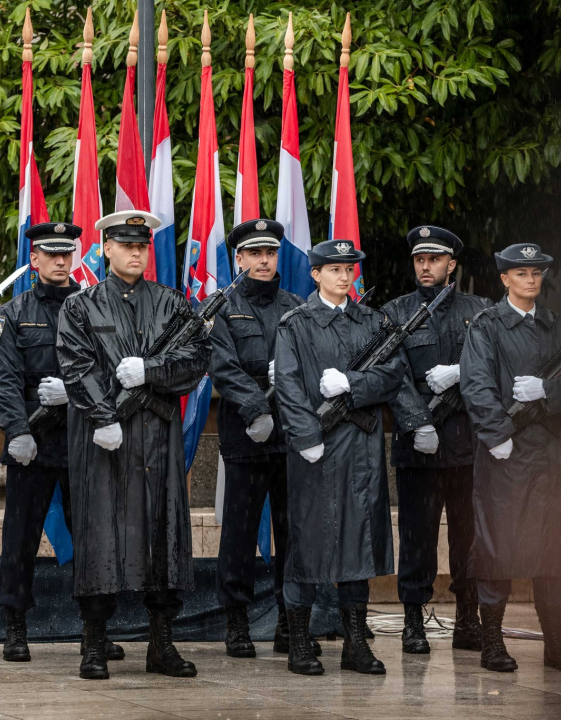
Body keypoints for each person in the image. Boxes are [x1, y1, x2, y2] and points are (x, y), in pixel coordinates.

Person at [56, 210, 211, 680]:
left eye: (142, 246)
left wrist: (151, 371)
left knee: (164, 536)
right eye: (126, 245)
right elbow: (76, 365)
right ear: (106, 249)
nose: (136, 253)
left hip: (158, 439)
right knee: (99, 536)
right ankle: (94, 643)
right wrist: (103, 416)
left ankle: (161, 643)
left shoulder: (171, 303)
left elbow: (196, 358)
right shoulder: (80, 306)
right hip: (104, 441)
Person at [0, 222, 123, 664]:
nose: (61, 261)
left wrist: (76, 392)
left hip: (85, 436)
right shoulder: (12, 313)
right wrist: (17, 431)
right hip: (33, 438)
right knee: (20, 538)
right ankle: (15, 626)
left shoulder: (96, 309)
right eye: (52, 253)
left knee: (93, 537)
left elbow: (114, 369)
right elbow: (4, 379)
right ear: (35, 259)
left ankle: (94, 629)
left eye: (67, 253)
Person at [275, 240, 407, 676]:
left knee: (358, 545)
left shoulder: (372, 321)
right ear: (315, 274)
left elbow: (393, 374)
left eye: (349, 269)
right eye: (334, 269)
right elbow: (288, 386)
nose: (344, 276)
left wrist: (352, 382)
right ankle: (299, 642)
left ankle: (356, 645)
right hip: (316, 451)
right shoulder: (295, 324)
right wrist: (306, 436)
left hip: (361, 453)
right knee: (307, 546)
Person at [460, 243, 561, 673]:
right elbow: (476, 384)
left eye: (536, 273)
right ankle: (492, 642)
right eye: (521, 273)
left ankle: (555, 643)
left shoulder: (559, 327)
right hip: (508, 456)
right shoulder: (486, 326)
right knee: (498, 546)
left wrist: (549, 390)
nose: (531, 280)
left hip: (552, 456)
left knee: (554, 546)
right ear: (504, 279)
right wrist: (496, 435)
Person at [382, 226, 492, 655]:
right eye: (419, 259)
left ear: (452, 264)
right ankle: (413, 622)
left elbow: (493, 368)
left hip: (466, 448)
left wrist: (463, 373)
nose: (425, 266)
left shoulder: (479, 311)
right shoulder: (395, 312)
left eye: (434, 259)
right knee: (417, 538)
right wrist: (419, 423)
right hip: (418, 449)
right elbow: (392, 375)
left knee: (469, 537)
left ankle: (468, 619)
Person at [207, 219, 309, 658]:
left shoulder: (297, 307)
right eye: (255, 253)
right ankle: (237, 622)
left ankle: (290, 622)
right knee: (239, 533)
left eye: (270, 252)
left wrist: (289, 375)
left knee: (292, 534)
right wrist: (255, 407)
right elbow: (222, 366)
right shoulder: (222, 307)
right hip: (246, 437)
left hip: (290, 437)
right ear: (239, 259)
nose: (264, 261)